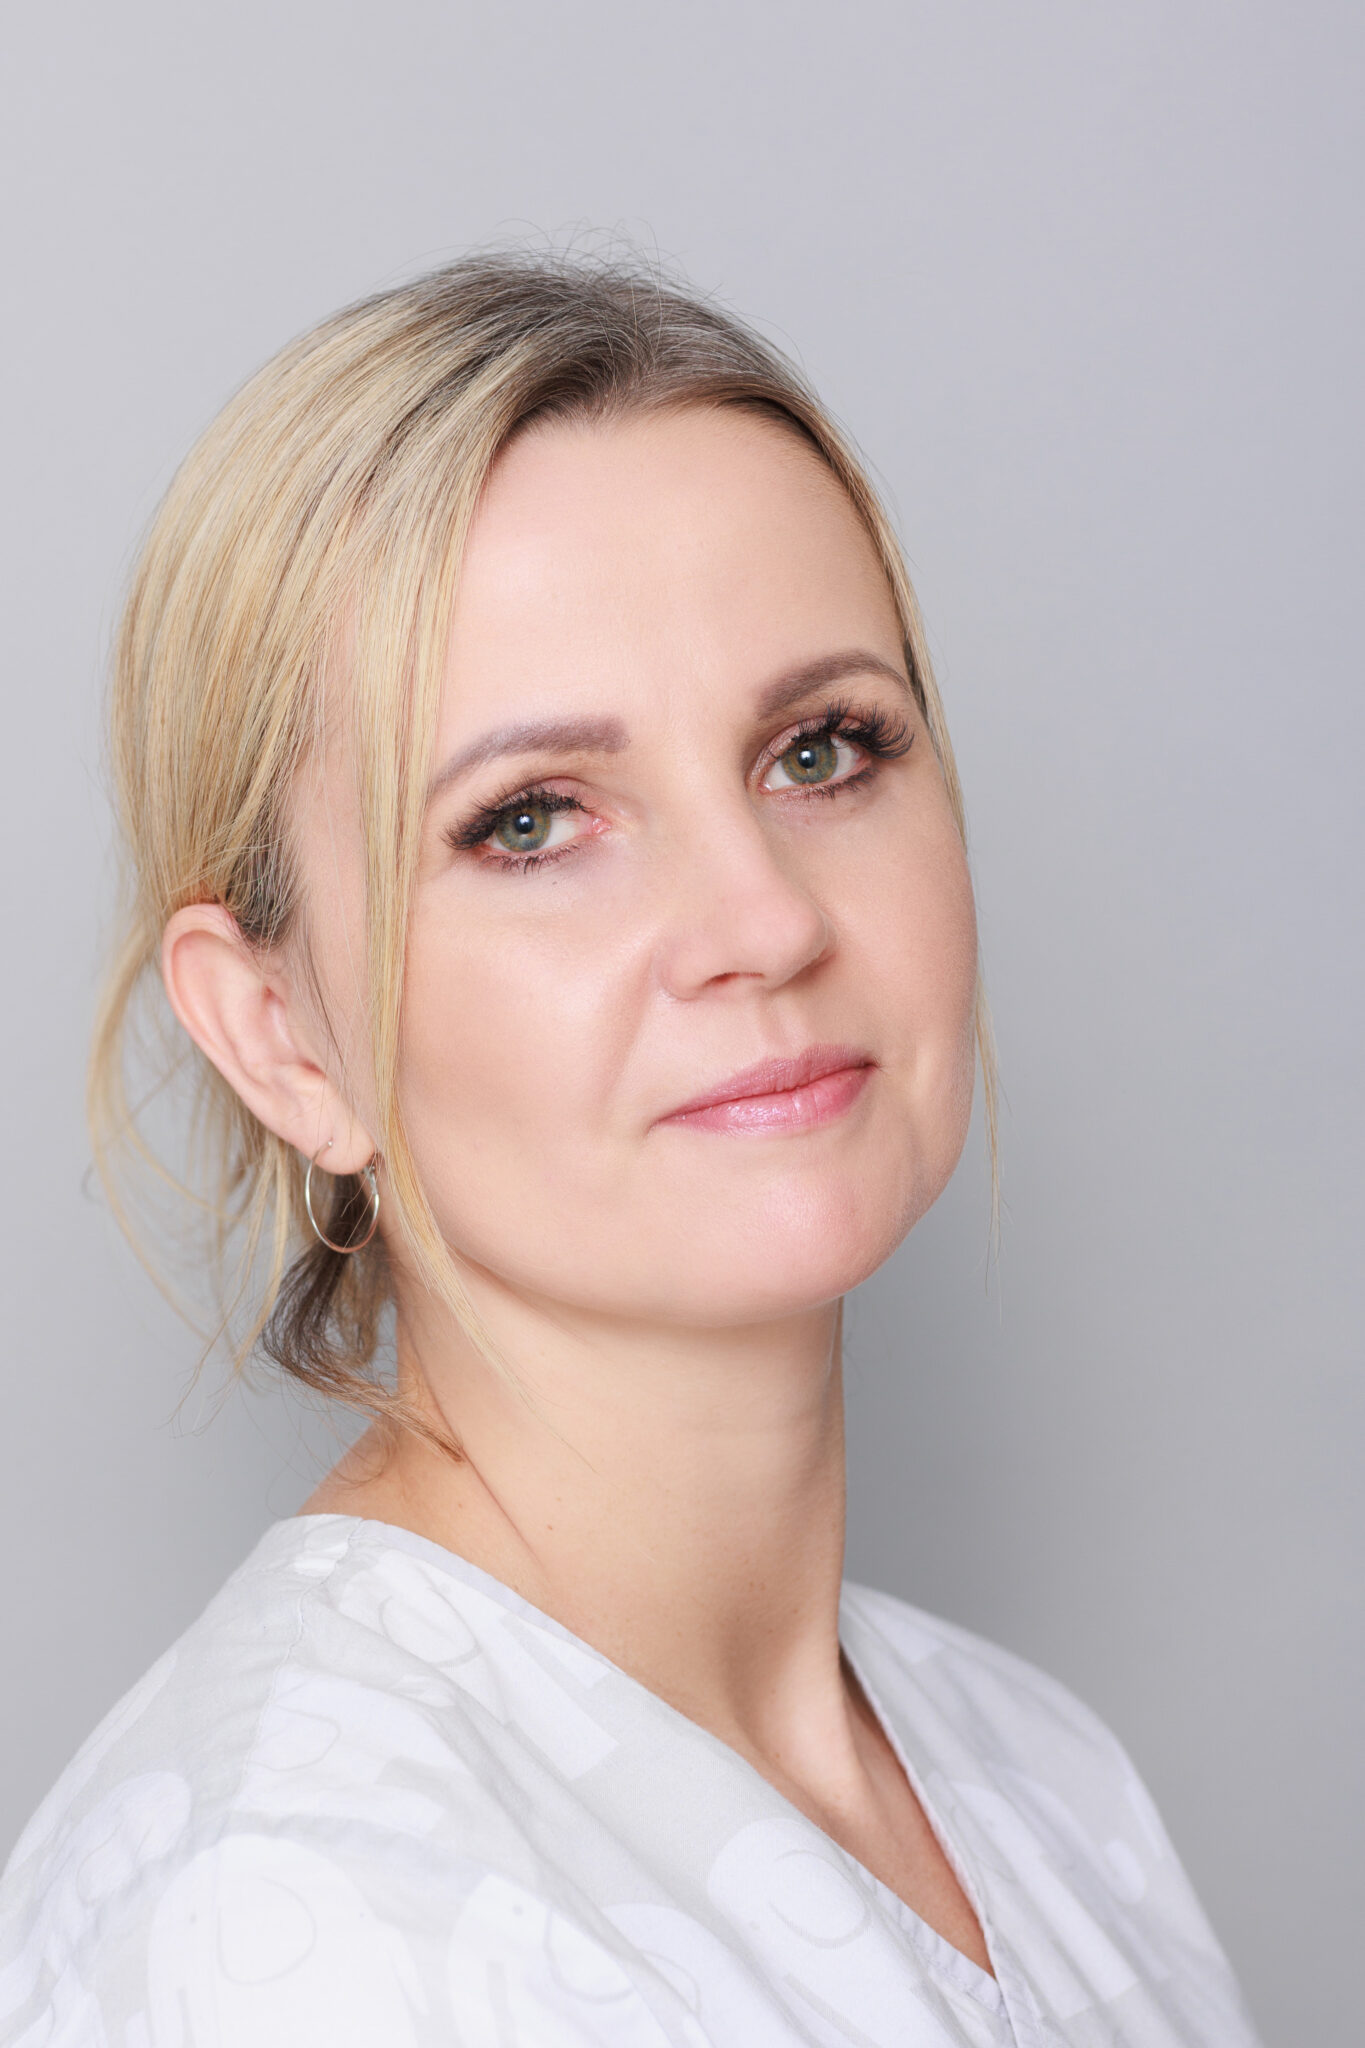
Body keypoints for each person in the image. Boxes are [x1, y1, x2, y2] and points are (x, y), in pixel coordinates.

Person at [0, 253, 1262, 2047]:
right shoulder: (293, 1920)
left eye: (822, 750)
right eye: (529, 821)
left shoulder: (1037, 1776)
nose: (762, 917)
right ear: (279, 1032)